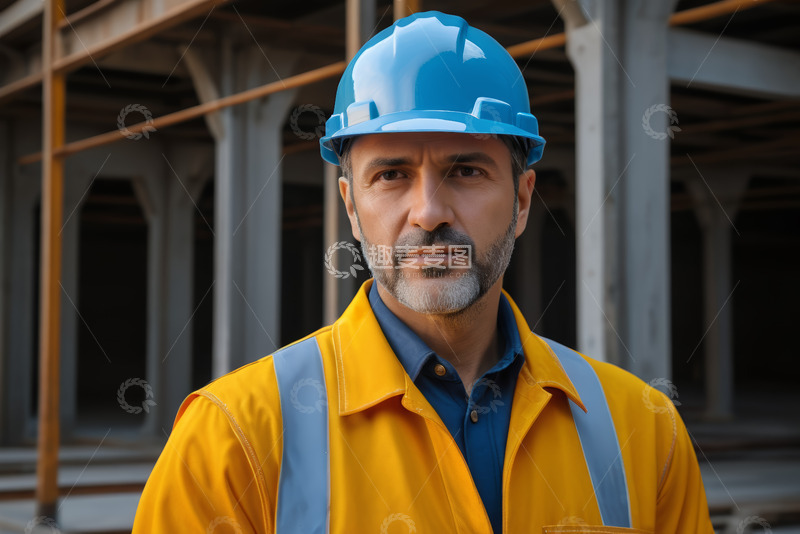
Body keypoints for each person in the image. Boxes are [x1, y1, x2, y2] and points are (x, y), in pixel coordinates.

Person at [133, 11, 713, 533]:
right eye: (391, 175)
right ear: (352, 207)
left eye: (466, 171)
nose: (429, 213)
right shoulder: (230, 441)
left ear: (522, 201)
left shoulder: (643, 431)